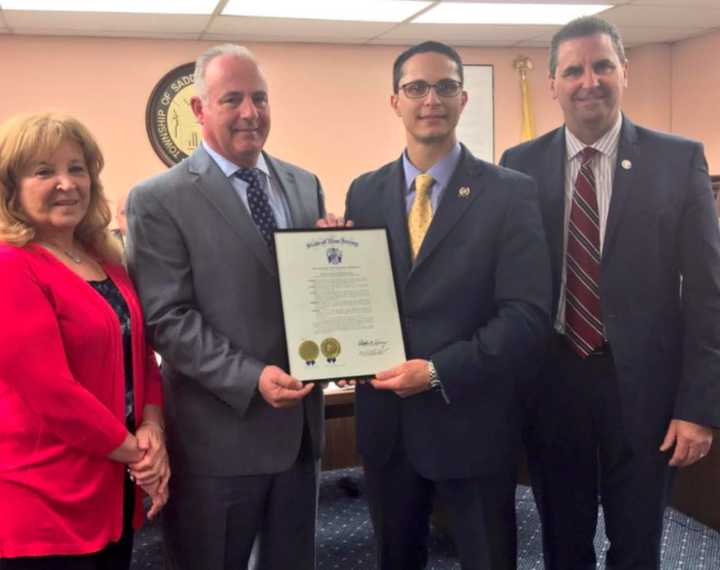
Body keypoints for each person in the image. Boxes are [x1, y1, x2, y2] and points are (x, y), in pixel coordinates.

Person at [500, 15, 720, 570]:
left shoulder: (679, 160)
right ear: (551, 83)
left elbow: (708, 293)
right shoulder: (518, 167)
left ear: (625, 71)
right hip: (552, 384)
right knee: (562, 543)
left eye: (602, 66)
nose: (588, 81)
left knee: (637, 542)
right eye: (572, 70)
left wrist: (698, 408)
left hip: (645, 393)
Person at [343, 41, 552, 569]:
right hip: (387, 427)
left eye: (445, 86)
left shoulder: (509, 193)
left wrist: (437, 371)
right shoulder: (363, 193)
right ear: (395, 101)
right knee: (395, 558)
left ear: (464, 99)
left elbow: (527, 316)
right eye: (416, 87)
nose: (430, 99)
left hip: (473, 422)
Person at [126, 44, 326, 570]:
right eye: (232, 98)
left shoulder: (304, 184)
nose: (249, 112)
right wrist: (252, 377)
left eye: (259, 98)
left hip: (301, 435)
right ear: (199, 109)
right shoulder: (158, 199)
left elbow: (310, 290)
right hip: (217, 443)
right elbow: (169, 320)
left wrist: (339, 259)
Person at [0, 112, 169, 569]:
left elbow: (143, 358)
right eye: (43, 171)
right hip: (44, 502)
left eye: (77, 168)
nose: (66, 183)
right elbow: (50, 391)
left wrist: (153, 428)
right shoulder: (11, 264)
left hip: (112, 489)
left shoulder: (105, 259)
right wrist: (142, 457)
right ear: (11, 188)